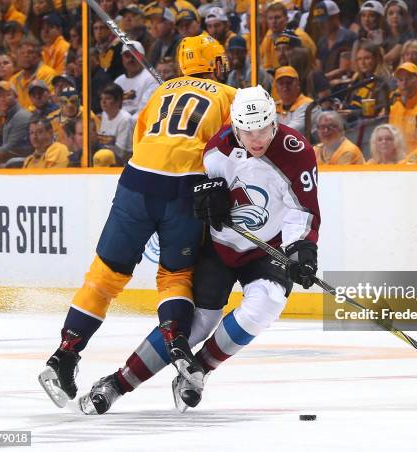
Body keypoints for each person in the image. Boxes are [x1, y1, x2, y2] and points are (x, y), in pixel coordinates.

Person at [77, 86, 320, 415]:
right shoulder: (216, 149)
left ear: (274, 122)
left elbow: (301, 210)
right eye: (248, 131)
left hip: (267, 249)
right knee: (199, 324)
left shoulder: (296, 152)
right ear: (235, 125)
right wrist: (205, 202)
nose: (256, 138)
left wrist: (301, 249)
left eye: (263, 129)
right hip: (218, 247)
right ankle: (118, 382)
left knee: (267, 303)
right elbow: (193, 190)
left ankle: (197, 371)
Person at [38, 34, 236, 410]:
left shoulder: (160, 93)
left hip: (136, 180)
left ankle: (64, 355)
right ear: (215, 64)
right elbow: (227, 151)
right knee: (175, 275)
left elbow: (145, 139)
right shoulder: (228, 94)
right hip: (186, 189)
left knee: (105, 274)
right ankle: (176, 342)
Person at [114, 40, 160, 120]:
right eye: (127, 56)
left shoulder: (151, 79)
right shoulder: (118, 81)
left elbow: (145, 109)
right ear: (122, 58)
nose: (130, 59)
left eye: (134, 56)